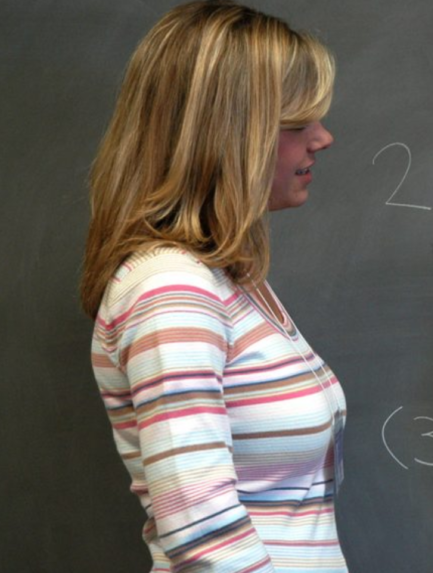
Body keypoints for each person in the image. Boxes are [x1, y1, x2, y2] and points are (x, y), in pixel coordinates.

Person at [80, 2, 346, 571]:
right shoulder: (171, 290)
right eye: (297, 124)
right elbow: (203, 532)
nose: (322, 139)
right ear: (231, 135)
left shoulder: (225, 278)